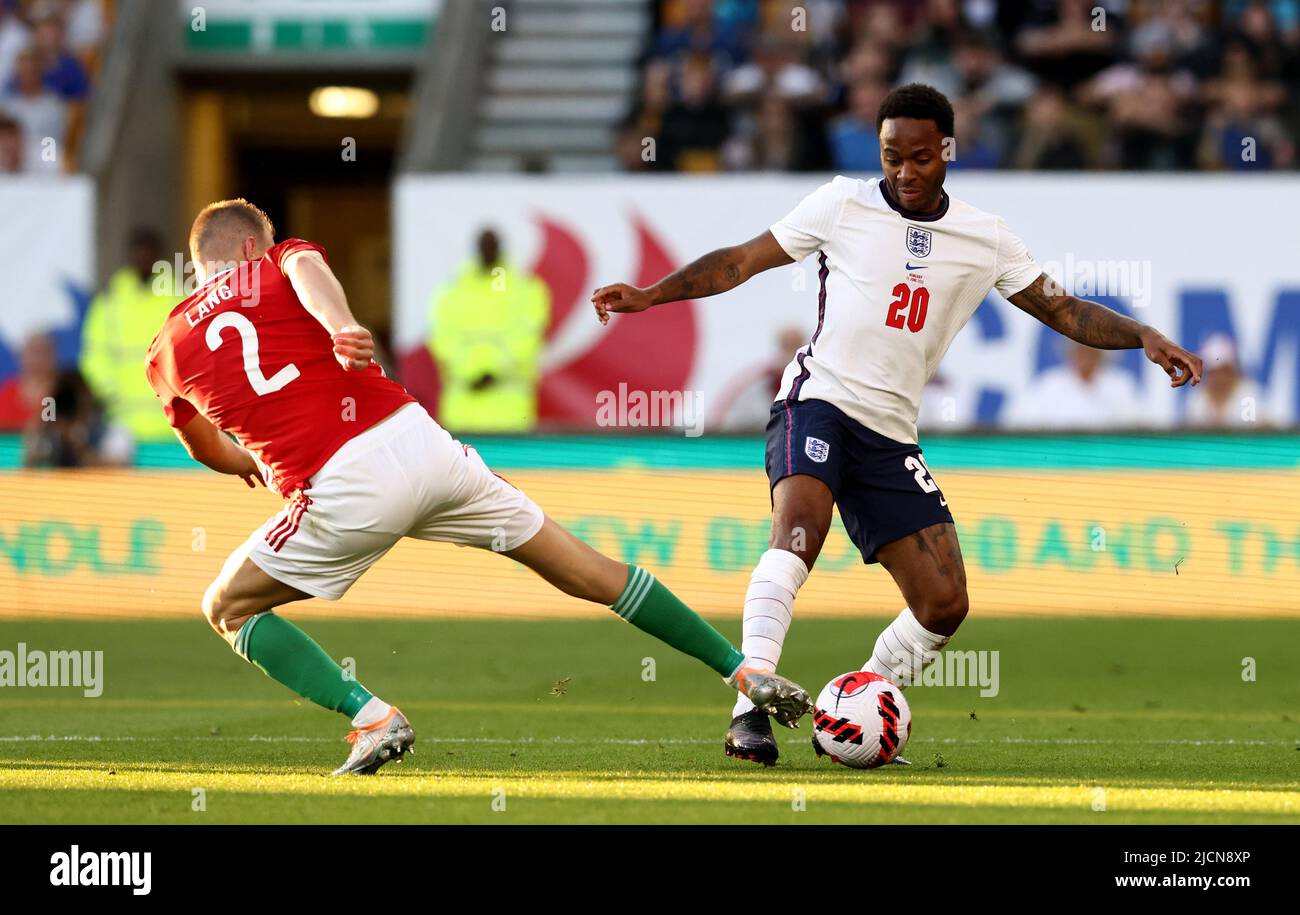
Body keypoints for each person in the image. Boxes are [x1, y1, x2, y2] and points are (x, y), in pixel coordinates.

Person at [591, 83, 1201, 766]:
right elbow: (739, 260)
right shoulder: (840, 204)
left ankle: (857, 708)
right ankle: (747, 711)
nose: (904, 173)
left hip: (889, 434)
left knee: (945, 602)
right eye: (890, 157)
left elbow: (1063, 310)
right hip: (817, 400)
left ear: (947, 150)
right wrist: (652, 295)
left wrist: (1143, 333)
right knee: (798, 532)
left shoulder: (984, 236)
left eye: (918, 158)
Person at [146, 199, 811, 775]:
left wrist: (248, 466)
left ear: (206, 260)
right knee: (590, 570)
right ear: (251, 247)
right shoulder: (279, 261)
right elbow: (308, 272)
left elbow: (200, 441)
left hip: (341, 483)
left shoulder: (167, 345)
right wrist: (339, 324)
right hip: (424, 443)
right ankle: (739, 669)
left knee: (228, 606)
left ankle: (371, 716)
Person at [427, 228, 549, 432]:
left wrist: (491, 371)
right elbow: (442, 337)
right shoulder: (453, 290)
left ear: (501, 247)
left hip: (510, 409)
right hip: (461, 410)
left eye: (492, 244)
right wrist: (471, 371)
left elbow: (528, 338)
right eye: (484, 244)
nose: (488, 250)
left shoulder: (526, 289)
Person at [81, 227, 183, 447]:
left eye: (149, 251)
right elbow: (94, 357)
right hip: (123, 426)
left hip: (175, 425)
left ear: (159, 255)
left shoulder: (179, 299)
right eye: (139, 251)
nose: (144, 257)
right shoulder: (109, 303)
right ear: (130, 255)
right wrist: (111, 393)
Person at [1005, 339, 1141, 430]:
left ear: (1101, 354)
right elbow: (1020, 423)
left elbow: (1134, 428)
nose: (1085, 356)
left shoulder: (1120, 386)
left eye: (1091, 351)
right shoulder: (1049, 385)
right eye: (1081, 350)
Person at [1184, 333, 1267, 428]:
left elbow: (1260, 430)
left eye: (1222, 371)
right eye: (1212, 372)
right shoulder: (1197, 398)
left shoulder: (1249, 394)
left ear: (1232, 371)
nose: (1218, 377)